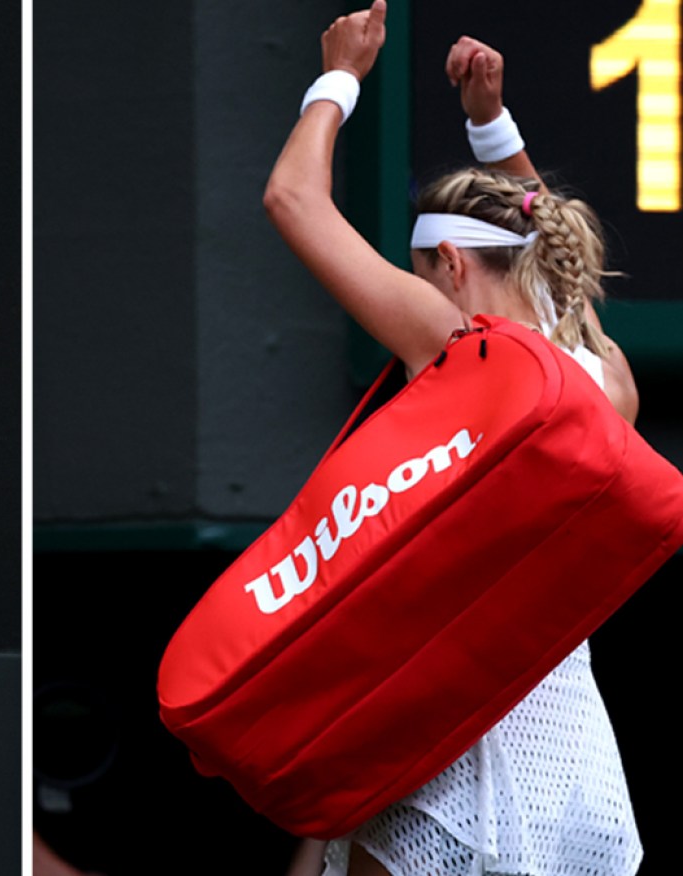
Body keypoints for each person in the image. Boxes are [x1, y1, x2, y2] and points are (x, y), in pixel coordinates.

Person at [263, 3, 641, 875]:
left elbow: (291, 197)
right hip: (579, 771)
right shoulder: (601, 372)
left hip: (446, 756)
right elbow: (554, 254)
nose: (406, 283)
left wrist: (339, 77)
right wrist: (491, 127)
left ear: (452, 266)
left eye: (415, 266)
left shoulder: (452, 344)